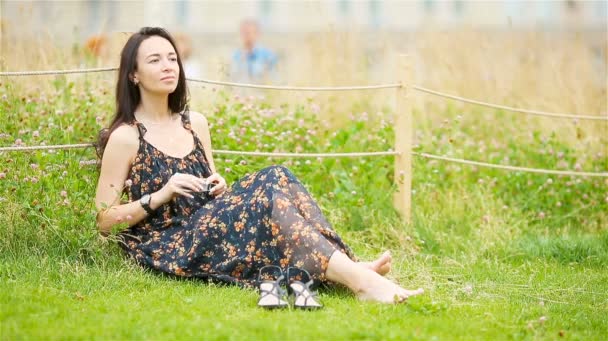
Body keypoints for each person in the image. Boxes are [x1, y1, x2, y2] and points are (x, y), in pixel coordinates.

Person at [95, 27, 423, 304]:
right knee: (267, 195)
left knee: (276, 175)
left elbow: (211, 184)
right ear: (133, 74)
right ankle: (359, 279)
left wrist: (217, 184)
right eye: (155, 60)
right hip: (170, 243)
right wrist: (161, 195)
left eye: (172, 58)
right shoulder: (126, 137)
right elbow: (104, 220)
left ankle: (348, 267)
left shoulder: (194, 122)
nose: (168, 66)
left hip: (209, 223)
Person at [230, 19, 278, 83]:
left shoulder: (268, 55)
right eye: (243, 32)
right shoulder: (235, 55)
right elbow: (233, 78)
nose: (246, 36)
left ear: (257, 33)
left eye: (248, 32)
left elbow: (274, 79)